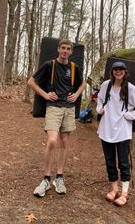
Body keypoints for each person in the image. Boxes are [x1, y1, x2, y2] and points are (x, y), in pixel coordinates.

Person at [28, 38, 86, 197]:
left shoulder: (74, 68)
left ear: (71, 52)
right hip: (53, 107)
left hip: (68, 108)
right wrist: (46, 95)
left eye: (68, 49)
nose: (65, 51)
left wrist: (77, 95)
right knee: (52, 140)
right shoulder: (49, 65)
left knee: (65, 141)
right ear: (58, 49)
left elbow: (83, 83)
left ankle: (59, 177)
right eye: (63, 48)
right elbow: (31, 82)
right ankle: (46, 178)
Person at [96, 61, 135, 207]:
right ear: (112, 72)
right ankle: (114, 189)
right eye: (115, 69)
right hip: (106, 129)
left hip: (123, 131)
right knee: (110, 161)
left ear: (125, 72)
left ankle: (124, 194)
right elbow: (99, 101)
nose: (118, 72)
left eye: (121, 69)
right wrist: (100, 110)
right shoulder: (106, 85)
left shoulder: (130, 88)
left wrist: (130, 116)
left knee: (123, 163)